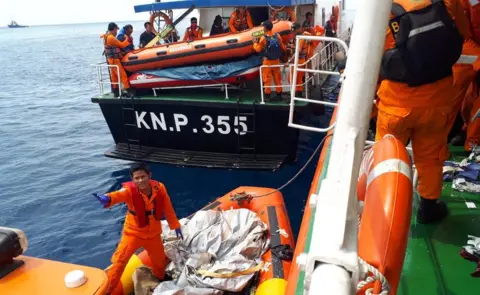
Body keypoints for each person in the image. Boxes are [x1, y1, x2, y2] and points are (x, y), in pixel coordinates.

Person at [376, 0, 470, 223]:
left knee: (386, 158)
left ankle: (383, 210)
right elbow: (463, 33)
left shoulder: (386, 7)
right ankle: (428, 208)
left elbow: (375, 52)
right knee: (430, 157)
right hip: (437, 101)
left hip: (395, 102)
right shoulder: (447, 1)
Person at [94, 163, 183, 294]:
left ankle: (160, 278)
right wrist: (107, 198)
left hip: (153, 233)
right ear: (132, 179)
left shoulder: (160, 188)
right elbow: (117, 195)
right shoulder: (129, 191)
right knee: (119, 262)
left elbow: (168, 209)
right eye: (137, 178)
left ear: (149, 176)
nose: (140, 180)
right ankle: (108, 289)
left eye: (143, 176)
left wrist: (175, 226)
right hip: (133, 234)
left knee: (159, 260)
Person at [253, 20, 286, 100]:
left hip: (267, 62)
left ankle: (267, 96)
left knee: (267, 79)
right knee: (277, 78)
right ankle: (279, 94)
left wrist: (254, 43)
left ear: (265, 28)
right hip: (276, 61)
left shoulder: (263, 38)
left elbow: (258, 49)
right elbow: (283, 48)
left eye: (263, 26)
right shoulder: (277, 36)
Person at [102, 22, 134, 97]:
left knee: (114, 77)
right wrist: (126, 38)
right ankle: (129, 90)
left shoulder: (106, 36)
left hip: (111, 60)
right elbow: (122, 44)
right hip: (114, 60)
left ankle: (116, 91)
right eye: (116, 29)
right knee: (123, 75)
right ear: (114, 29)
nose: (116, 32)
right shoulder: (111, 38)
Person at [287, 23, 310, 97]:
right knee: (298, 79)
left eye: (294, 30)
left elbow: (298, 51)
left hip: (298, 61)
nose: (293, 31)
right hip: (300, 60)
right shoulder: (298, 37)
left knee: (291, 78)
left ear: (298, 29)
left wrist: (289, 61)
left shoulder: (301, 39)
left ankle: (294, 96)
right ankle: (298, 95)